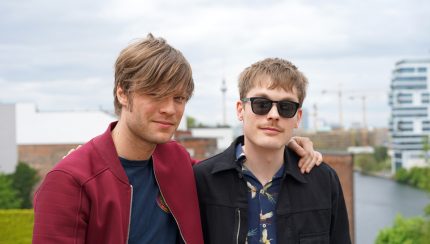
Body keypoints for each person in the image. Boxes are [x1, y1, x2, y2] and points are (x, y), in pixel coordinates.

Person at [32, 34, 321, 244]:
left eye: (179, 97)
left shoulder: (178, 162)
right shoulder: (71, 181)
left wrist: (284, 145)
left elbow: (231, 170)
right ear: (122, 93)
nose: (170, 109)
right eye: (155, 94)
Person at [194, 58, 351, 243]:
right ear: (240, 110)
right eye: (261, 104)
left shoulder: (324, 181)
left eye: (286, 107)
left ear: (297, 117)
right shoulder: (203, 180)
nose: (274, 115)